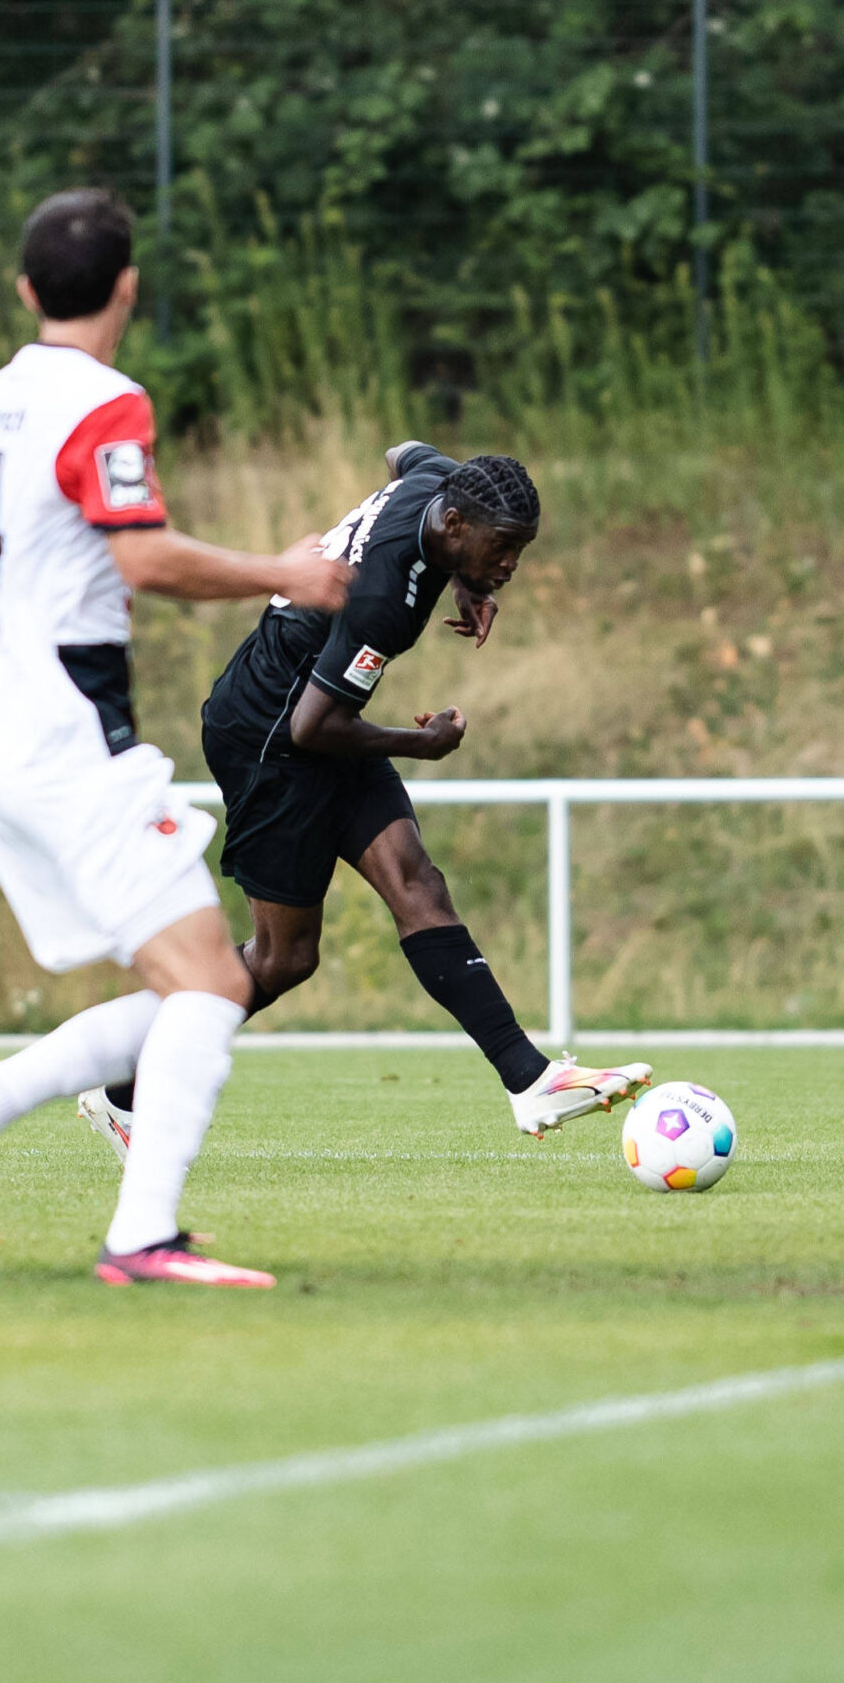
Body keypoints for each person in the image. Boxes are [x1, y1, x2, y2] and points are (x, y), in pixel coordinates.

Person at [0, 187, 349, 1287]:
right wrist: (286, 573)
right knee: (211, 985)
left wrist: (2, 680)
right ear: (128, 287)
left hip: (1, 737)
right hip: (68, 736)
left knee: (195, 977)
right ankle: (140, 1237)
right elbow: (141, 555)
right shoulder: (104, 402)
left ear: (25, 289)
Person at [74, 441, 650, 1159]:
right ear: (454, 525)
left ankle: (530, 1080)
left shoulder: (438, 482)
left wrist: (468, 577)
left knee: (419, 885)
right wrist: (424, 745)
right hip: (268, 739)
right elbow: (313, 727)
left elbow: (402, 452)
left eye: (518, 550)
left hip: (311, 720)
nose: (510, 565)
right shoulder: (383, 600)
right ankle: (121, 1089)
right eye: (501, 548)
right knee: (285, 959)